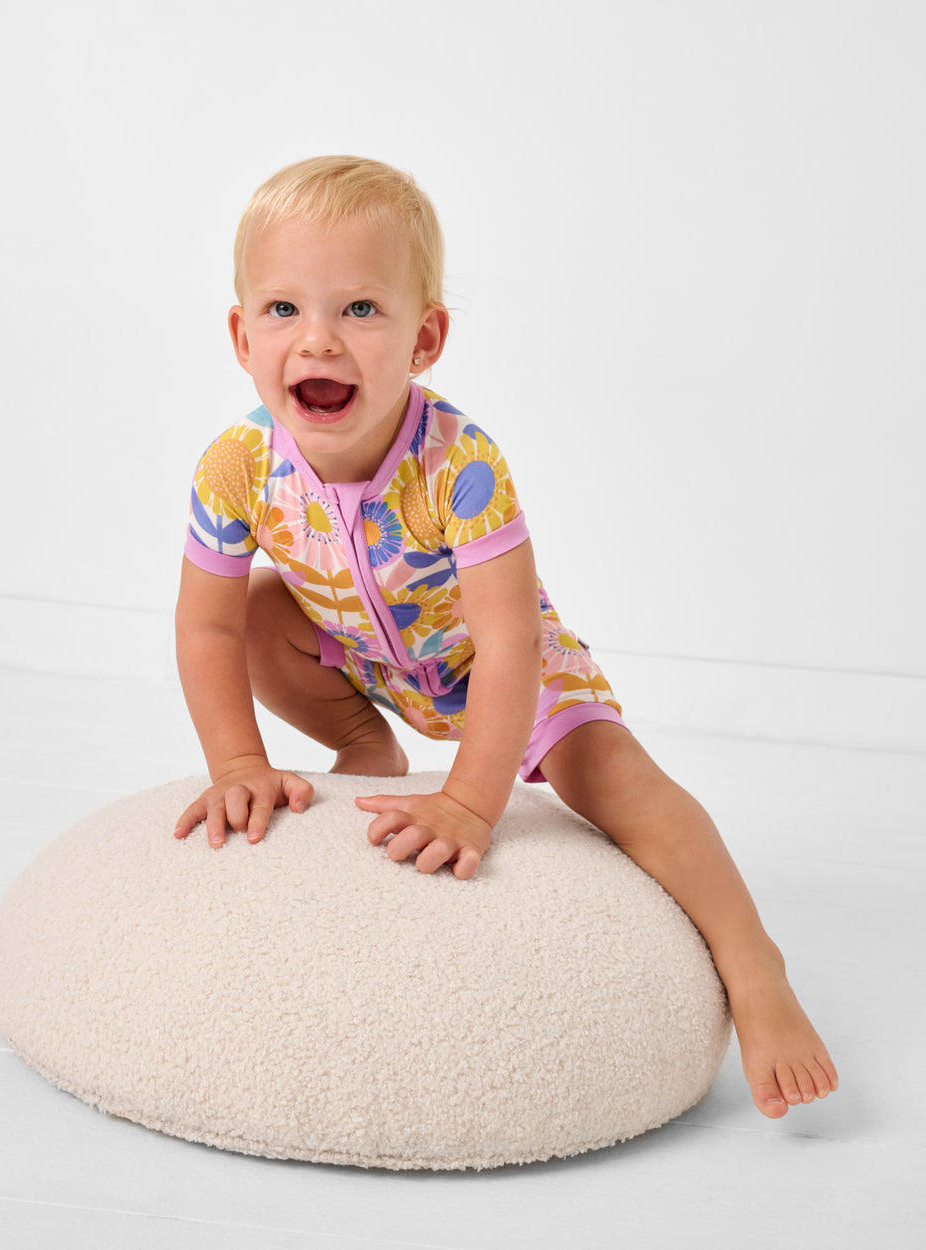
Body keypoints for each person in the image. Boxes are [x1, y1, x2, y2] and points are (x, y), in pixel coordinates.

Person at [173, 155, 838, 1119]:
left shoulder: (460, 463)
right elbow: (202, 624)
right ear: (241, 335)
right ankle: (368, 744)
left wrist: (470, 806)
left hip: (503, 666)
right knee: (254, 612)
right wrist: (237, 760)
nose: (317, 338)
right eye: (283, 310)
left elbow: (511, 646)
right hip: (360, 654)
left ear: (425, 336)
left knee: (611, 779)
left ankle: (754, 961)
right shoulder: (236, 465)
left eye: (360, 309)